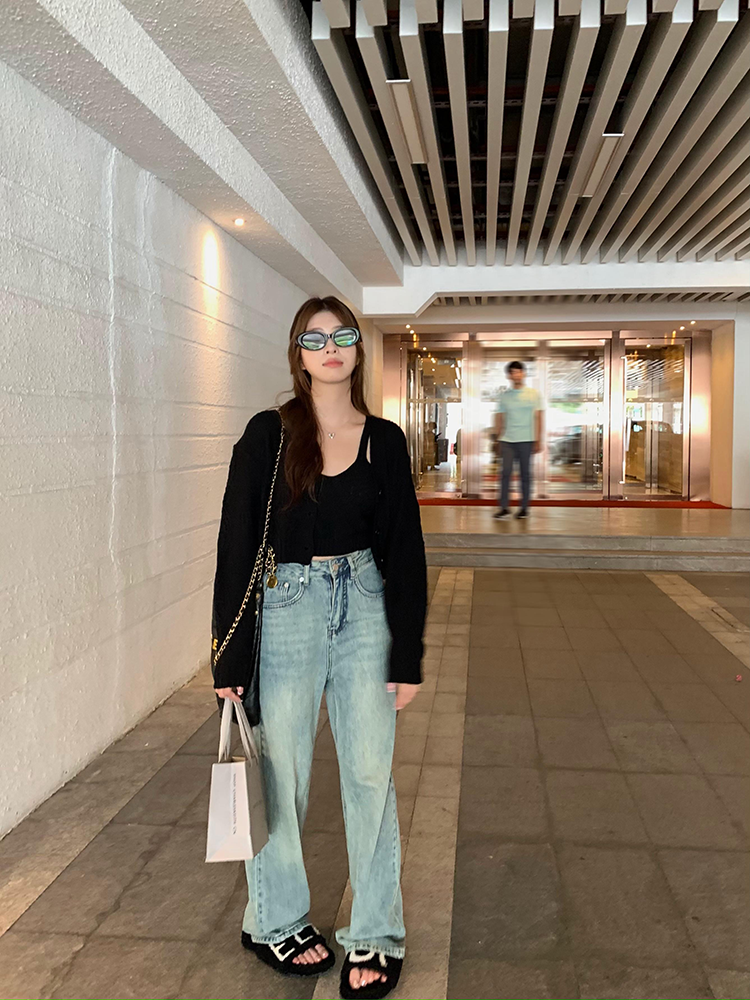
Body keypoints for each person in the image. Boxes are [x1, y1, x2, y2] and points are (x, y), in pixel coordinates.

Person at [211, 296, 427, 1000]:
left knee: (370, 775)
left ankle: (377, 933)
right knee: (284, 776)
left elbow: (406, 548)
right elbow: (237, 544)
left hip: (365, 605)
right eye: (315, 337)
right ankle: (274, 919)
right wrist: (228, 659)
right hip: (287, 607)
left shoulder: (385, 440)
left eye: (342, 336)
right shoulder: (268, 435)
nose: (330, 347)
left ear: (358, 349)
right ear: (298, 354)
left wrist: (407, 653)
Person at [494, 360, 543, 519]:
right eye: (513, 372)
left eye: (519, 372)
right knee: (505, 473)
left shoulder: (533, 394)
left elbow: (539, 417)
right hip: (507, 440)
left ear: (523, 374)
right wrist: (498, 439)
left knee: (525, 474)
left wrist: (538, 440)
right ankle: (504, 508)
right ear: (509, 376)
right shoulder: (504, 396)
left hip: (526, 440)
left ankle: (524, 508)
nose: (516, 375)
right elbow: (500, 417)